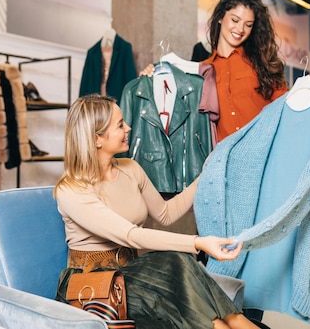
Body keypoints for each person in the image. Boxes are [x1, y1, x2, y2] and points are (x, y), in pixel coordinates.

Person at [54, 94, 260, 329]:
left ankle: (236, 321)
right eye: (120, 125)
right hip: (92, 284)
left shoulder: (131, 169)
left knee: (178, 261)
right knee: (178, 275)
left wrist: (206, 175)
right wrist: (199, 242)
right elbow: (131, 235)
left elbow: (166, 214)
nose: (129, 128)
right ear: (97, 138)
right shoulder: (71, 190)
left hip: (130, 272)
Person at [140, 0, 288, 143]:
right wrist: (150, 77)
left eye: (248, 25)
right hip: (222, 160)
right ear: (220, 17)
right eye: (235, 20)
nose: (240, 29)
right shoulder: (200, 72)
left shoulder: (263, 64)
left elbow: (286, 107)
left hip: (263, 153)